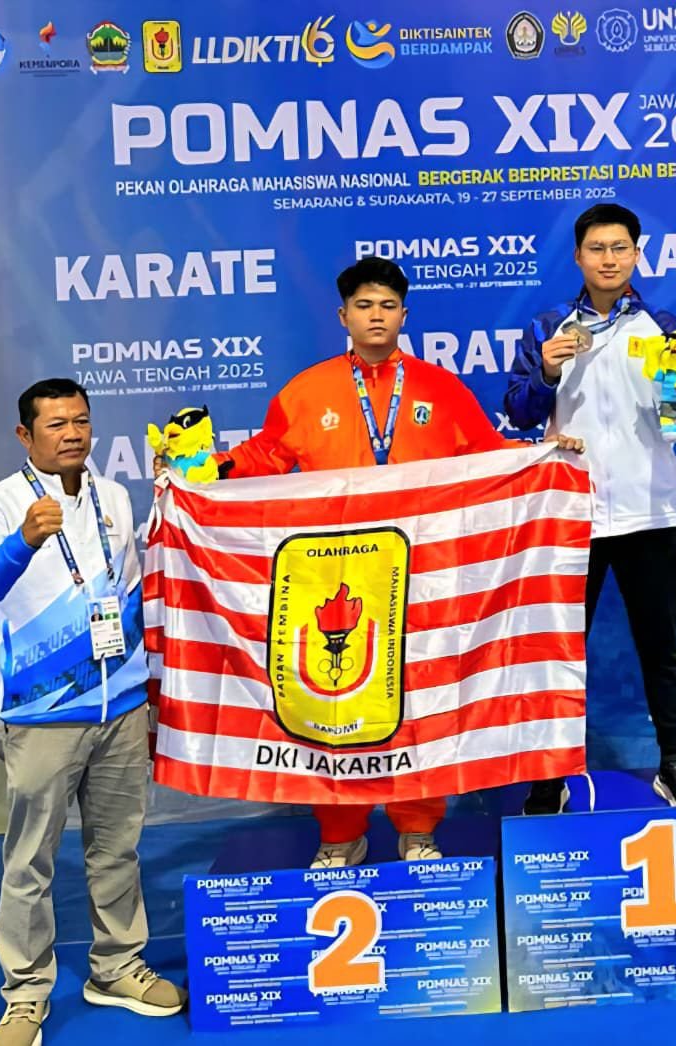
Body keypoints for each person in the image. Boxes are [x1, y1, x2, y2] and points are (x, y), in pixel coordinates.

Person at [208, 257, 580, 868]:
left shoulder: (441, 389)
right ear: (343, 317)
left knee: (419, 704)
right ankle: (340, 832)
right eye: (364, 306)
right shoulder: (307, 391)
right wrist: (201, 470)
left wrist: (544, 455)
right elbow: (262, 458)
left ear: (404, 315)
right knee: (332, 707)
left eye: (387, 306)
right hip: (336, 584)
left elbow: (489, 457)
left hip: (421, 582)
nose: (375, 316)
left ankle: (418, 829)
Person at [0, 379, 185, 1046]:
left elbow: (131, 589)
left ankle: (116, 967)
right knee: (30, 863)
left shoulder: (113, 496)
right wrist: (23, 541)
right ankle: (26, 994)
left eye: (80, 420)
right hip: (42, 716)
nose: (72, 433)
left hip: (120, 706)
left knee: (117, 850)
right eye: (55, 424)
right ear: (25, 435)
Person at [505, 203, 676, 814]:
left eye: (620, 248)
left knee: (661, 646)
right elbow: (518, 411)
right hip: (573, 514)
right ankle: (551, 774)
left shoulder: (664, 326)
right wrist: (545, 372)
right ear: (577, 256)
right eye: (597, 248)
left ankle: (673, 760)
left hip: (650, 510)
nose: (609, 259)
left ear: (637, 255)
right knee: (560, 650)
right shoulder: (549, 325)